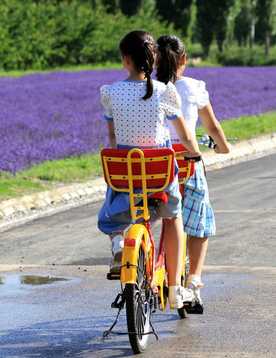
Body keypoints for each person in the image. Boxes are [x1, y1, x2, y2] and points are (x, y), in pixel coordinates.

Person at [97, 30, 202, 309]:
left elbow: (112, 138)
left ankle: (119, 242)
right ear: (153, 58)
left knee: (111, 216)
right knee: (173, 216)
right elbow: (186, 135)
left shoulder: (110, 92)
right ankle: (176, 289)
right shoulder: (165, 92)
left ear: (125, 60)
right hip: (160, 176)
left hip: (126, 174)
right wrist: (195, 152)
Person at [156, 34, 232, 307]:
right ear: (184, 60)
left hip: (156, 164)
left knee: (162, 214)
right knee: (200, 222)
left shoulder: (148, 87)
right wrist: (223, 148)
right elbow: (211, 127)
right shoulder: (193, 87)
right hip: (186, 163)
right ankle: (193, 283)